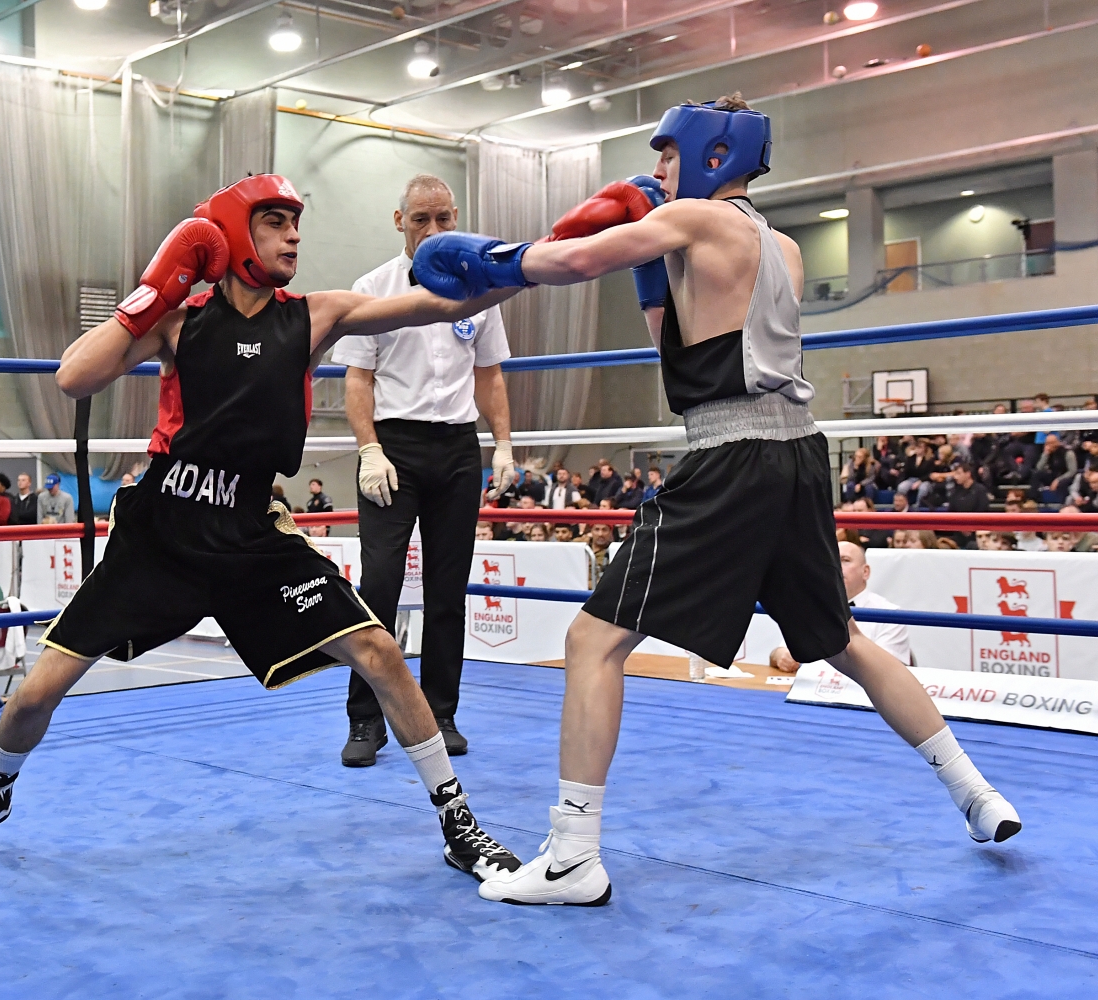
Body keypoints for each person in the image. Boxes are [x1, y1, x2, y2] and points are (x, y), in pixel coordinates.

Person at [413, 95, 1020, 906]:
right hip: (798, 454)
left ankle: (570, 855)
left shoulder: (693, 223)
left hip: (730, 456)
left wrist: (478, 253)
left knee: (592, 639)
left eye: (668, 153)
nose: (658, 168)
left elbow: (562, 265)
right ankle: (977, 795)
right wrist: (647, 274)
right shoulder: (784, 247)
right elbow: (687, 341)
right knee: (840, 639)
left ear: (708, 153)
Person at [0, 174, 522, 885]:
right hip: (163, 528)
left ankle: (457, 822)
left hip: (253, 530)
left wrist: (532, 262)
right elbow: (74, 377)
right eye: (275, 221)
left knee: (379, 651)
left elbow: (435, 303)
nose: (294, 234)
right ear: (233, 233)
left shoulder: (315, 316)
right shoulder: (178, 321)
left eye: (297, 222)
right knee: (36, 693)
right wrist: (156, 289)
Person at [330, 173, 516, 767]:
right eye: (421, 221)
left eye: (444, 220)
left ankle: (440, 714)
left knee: (447, 590)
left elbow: (489, 373)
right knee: (377, 586)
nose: (434, 231)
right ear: (399, 221)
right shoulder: (373, 289)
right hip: (394, 448)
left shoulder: (477, 286)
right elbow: (357, 378)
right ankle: (366, 718)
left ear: (456, 218)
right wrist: (368, 449)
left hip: (458, 448)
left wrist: (505, 445)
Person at [770, 540, 910, 672]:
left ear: (865, 572)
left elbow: (891, 669)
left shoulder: (891, 614)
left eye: (845, 560)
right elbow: (781, 651)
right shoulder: (812, 606)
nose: (836, 565)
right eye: (831, 559)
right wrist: (780, 656)